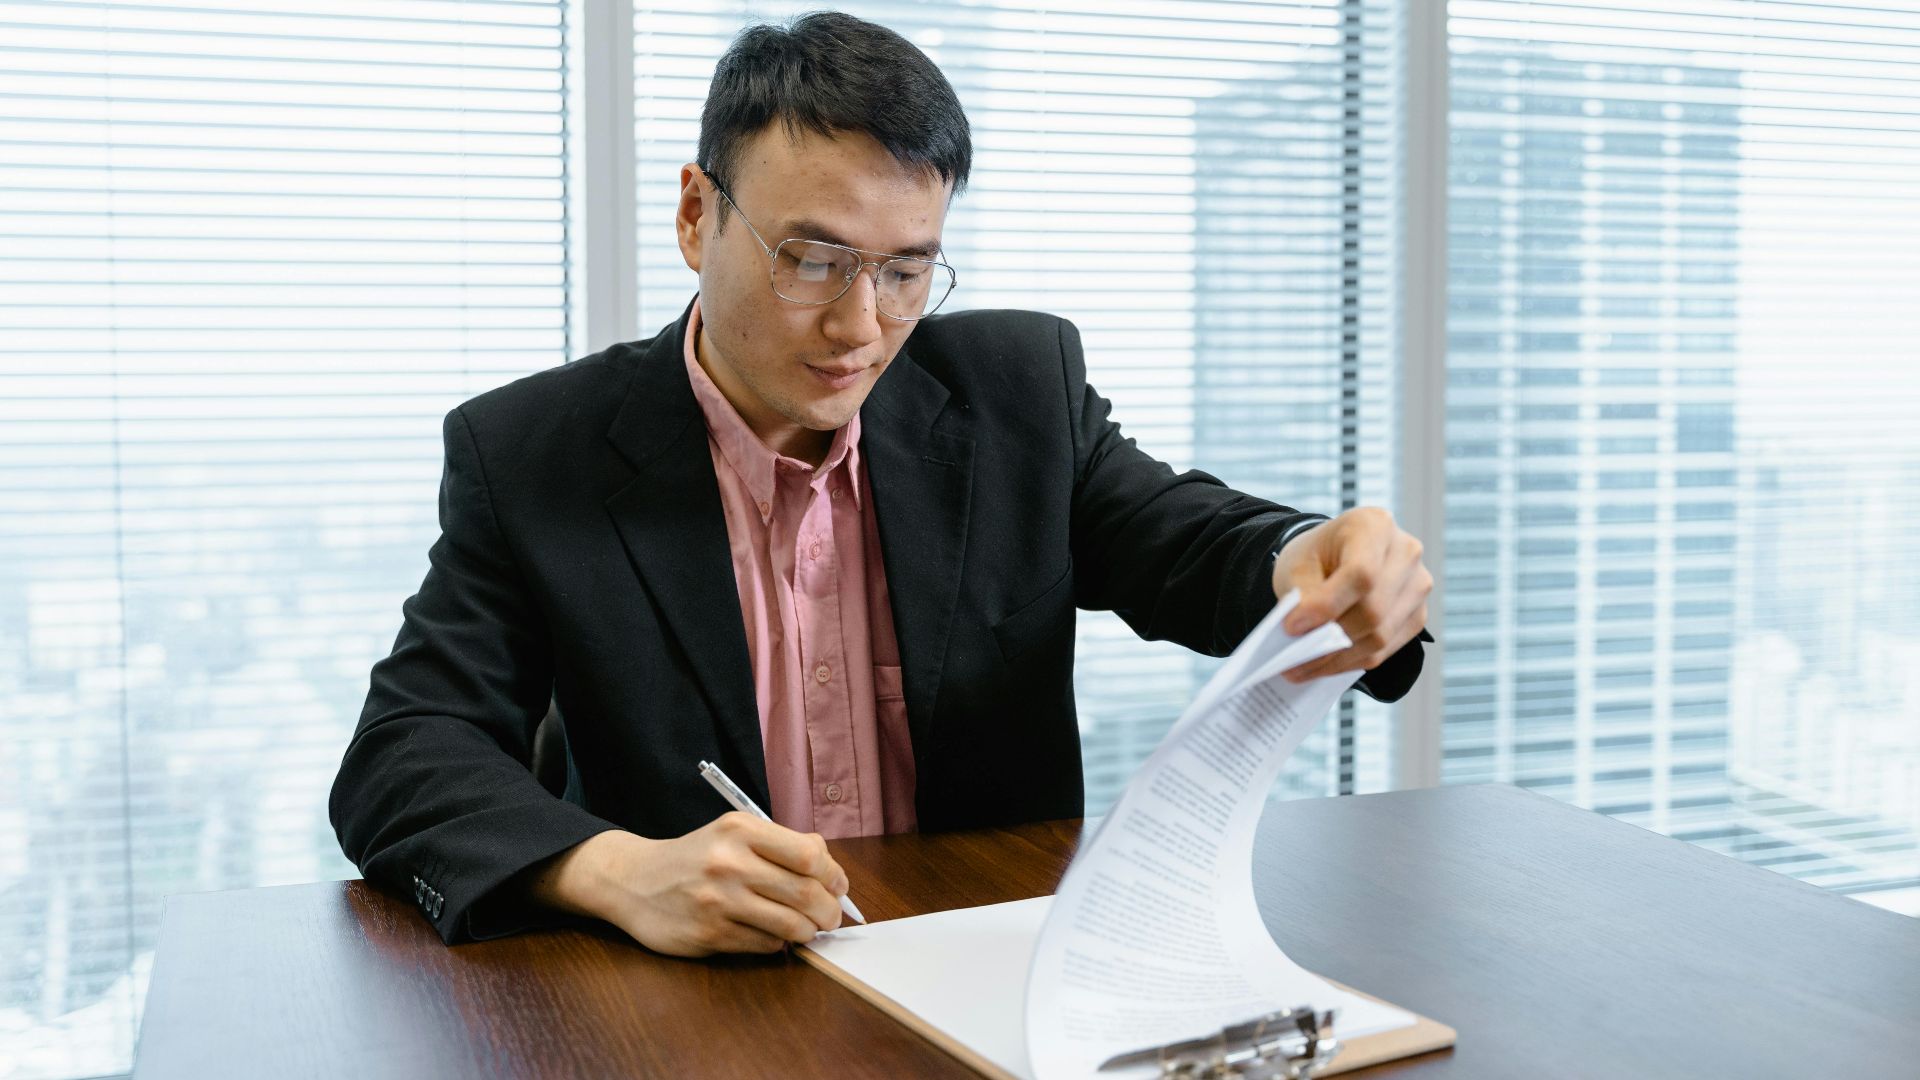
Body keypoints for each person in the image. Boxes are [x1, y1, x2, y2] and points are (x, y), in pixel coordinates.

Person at [329, 12, 1433, 957]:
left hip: (992, 979)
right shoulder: (533, 453)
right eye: (812, 259)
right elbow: (403, 755)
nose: (861, 327)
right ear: (693, 216)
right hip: (692, 1011)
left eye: (907, 270)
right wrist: (618, 873)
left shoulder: (1016, 394)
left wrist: (1308, 555)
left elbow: (1183, 539)